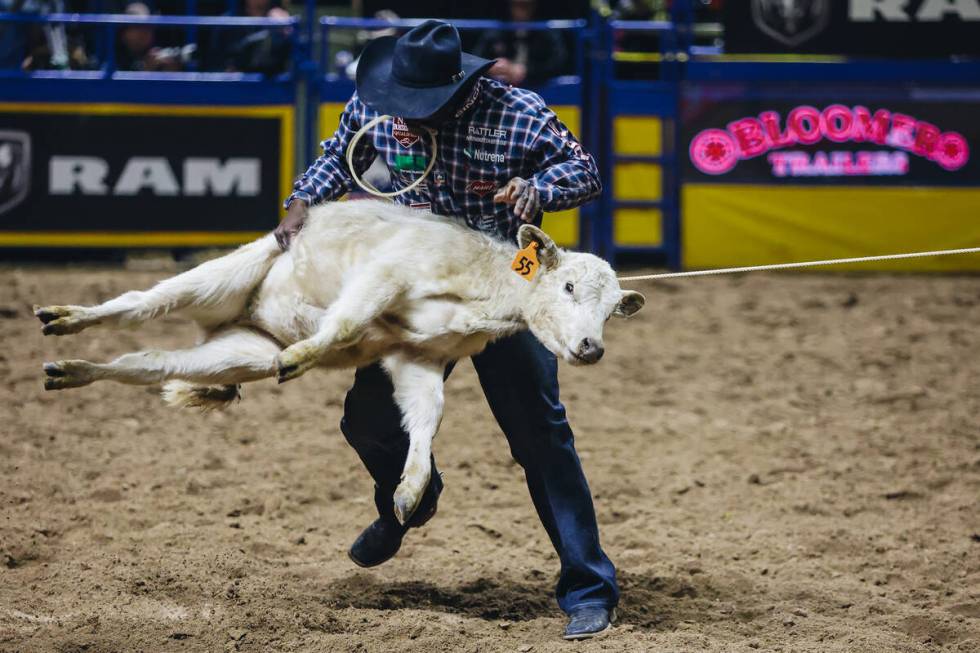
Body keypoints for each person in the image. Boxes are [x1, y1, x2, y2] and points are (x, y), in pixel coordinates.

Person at [276, 20, 617, 641]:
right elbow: (338, 156)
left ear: (458, 88)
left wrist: (538, 188)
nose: (411, 115)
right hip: (424, 285)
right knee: (367, 420)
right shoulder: (379, 102)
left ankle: (589, 587)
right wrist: (302, 203)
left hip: (511, 275)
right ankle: (409, 496)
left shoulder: (518, 111)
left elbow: (584, 170)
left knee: (540, 433)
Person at [473, 0, 568, 86]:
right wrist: (491, 67)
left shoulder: (546, 30)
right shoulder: (497, 29)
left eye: (525, 6)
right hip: (501, 89)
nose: (520, 11)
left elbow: (558, 62)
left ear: (534, 6)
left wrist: (525, 71)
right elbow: (476, 59)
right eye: (516, 5)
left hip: (539, 88)